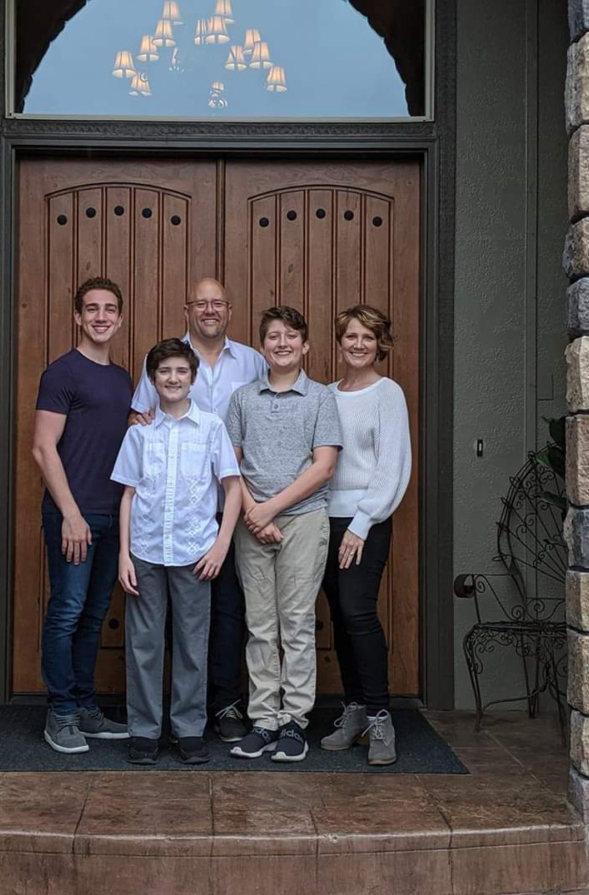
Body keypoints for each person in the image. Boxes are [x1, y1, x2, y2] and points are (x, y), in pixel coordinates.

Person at [129, 278, 266, 743]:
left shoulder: (252, 361)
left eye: (217, 303)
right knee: (155, 632)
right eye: (200, 303)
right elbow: (139, 422)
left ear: (229, 309)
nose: (209, 310)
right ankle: (150, 726)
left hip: (228, 511)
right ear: (188, 309)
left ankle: (222, 706)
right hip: (163, 521)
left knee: (223, 616)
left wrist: (238, 519)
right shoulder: (164, 359)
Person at [113, 338, 242, 765]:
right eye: (164, 372)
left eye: (181, 372)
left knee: (192, 645)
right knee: (144, 645)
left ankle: (188, 729)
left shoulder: (211, 428)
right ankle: (144, 730)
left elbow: (231, 488)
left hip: (195, 554)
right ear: (153, 380)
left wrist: (221, 545)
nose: (173, 379)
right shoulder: (141, 434)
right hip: (146, 552)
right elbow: (128, 496)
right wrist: (124, 555)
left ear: (193, 378)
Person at [225, 306, 342, 763]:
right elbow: (229, 463)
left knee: (295, 624)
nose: (282, 343)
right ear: (262, 346)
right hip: (251, 520)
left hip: (304, 519)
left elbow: (324, 466)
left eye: (291, 336)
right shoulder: (242, 399)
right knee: (260, 625)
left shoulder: (319, 399)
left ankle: (294, 722)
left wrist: (271, 509)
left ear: (305, 345)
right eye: (273, 337)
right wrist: (254, 513)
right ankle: (263, 720)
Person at [32, 277, 132, 754]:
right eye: (91, 309)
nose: (100, 316)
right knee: (67, 613)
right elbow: (43, 447)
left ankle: (86, 707)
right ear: (77, 317)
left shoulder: (121, 378)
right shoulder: (62, 373)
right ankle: (61, 712)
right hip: (74, 515)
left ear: (119, 317)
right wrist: (72, 515)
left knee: (93, 616)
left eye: (109, 309)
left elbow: (114, 432)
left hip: (114, 516)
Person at [320, 305, 411, 766]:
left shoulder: (387, 394)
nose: (358, 344)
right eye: (351, 336)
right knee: (338, 617)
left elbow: (391, 468)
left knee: (358, 614)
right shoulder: (325, 395)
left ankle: (380, 717)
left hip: (365, 523)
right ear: (339, 343)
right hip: (323, 519)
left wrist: (360, 524)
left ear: (380, 345)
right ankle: (354, 709)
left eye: (368, 338)